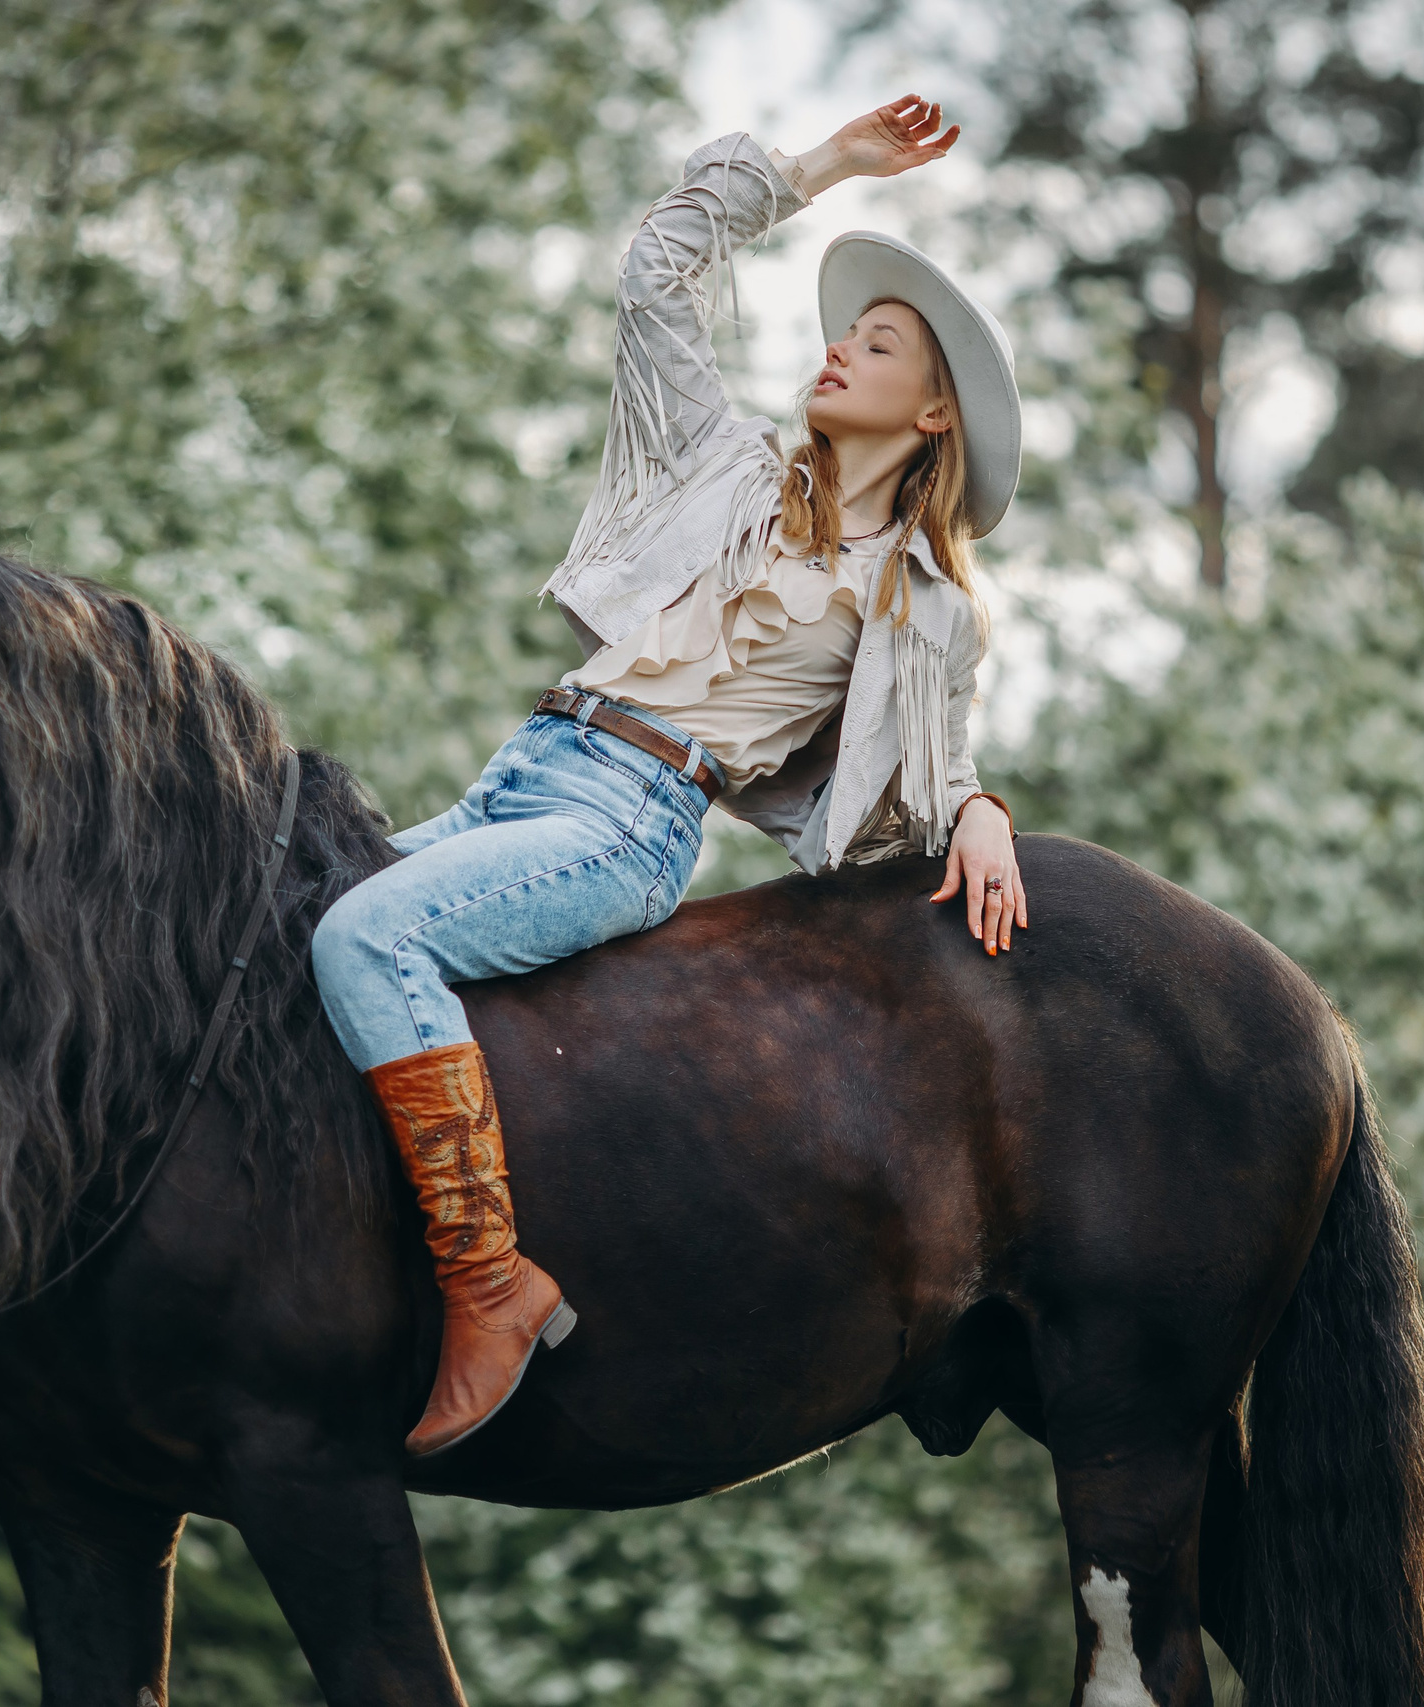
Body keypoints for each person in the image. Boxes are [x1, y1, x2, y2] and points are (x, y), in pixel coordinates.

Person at [310, 96, 1028, 1457]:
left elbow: (925, 765)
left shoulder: (918, 598)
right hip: (523, 773)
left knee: (366, 933)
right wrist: (824, 167)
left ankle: (491, 1284)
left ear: (932, 413)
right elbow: (652, 279)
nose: (838, 350)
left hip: (626, 819)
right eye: (840, 331)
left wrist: (983, 808)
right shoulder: (737, 478)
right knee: (289, 940)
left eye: (875, 346)